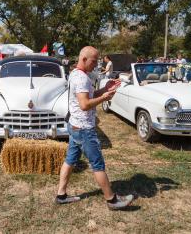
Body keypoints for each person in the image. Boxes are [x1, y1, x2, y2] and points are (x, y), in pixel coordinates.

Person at [55, 46, 134, 210]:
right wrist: (105, 97)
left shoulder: (76, 74)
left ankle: (61, 195)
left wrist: (104, 89)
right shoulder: (82, 78)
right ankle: (112, 200)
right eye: (94, 61)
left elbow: (86, 97)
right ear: (84, 59)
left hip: (75, 126)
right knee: (98, 164)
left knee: (70, 160)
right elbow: (84, 104)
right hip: (84, 129)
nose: (97, 64)